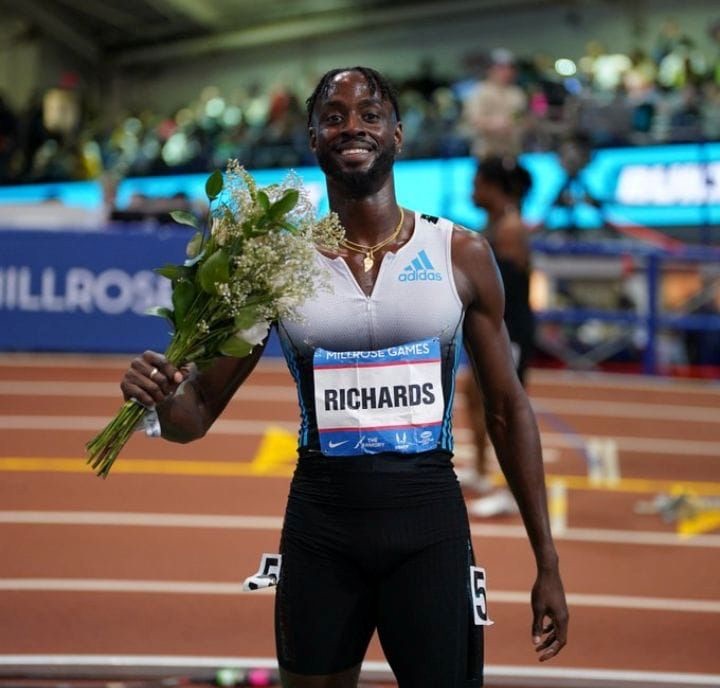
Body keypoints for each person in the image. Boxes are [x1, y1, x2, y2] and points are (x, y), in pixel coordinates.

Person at [120, 66, 568, 688]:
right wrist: (161, 399)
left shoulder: (459, 254)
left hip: (430, 530)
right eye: (333, 117)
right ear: (312, 138)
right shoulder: (276, 266)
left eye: (369, 114)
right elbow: (195, 415)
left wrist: (547, 560)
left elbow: (507, 409)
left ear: (397, 134)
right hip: (321, 532)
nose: (352, 126)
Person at [459, 156, 537, 517]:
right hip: (491, 329)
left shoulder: (510, 229)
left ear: (493, 188)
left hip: (510, 332)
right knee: (473, 395)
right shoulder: (493, 225)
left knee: (506, 411)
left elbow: (502, 289)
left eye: (476, 184)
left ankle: (513, 492)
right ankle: (480, 471)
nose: (471, 191)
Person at [461, 49, 528, 160]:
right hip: (487, 152)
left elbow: (520, 116)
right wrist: (493, 124)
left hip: (511, 150)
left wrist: (512, 122)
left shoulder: (516, 93)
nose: (506, 72)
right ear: (490, 69)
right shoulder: (479, 91)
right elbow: (473, 119)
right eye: (501, 68)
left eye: (509, 68)